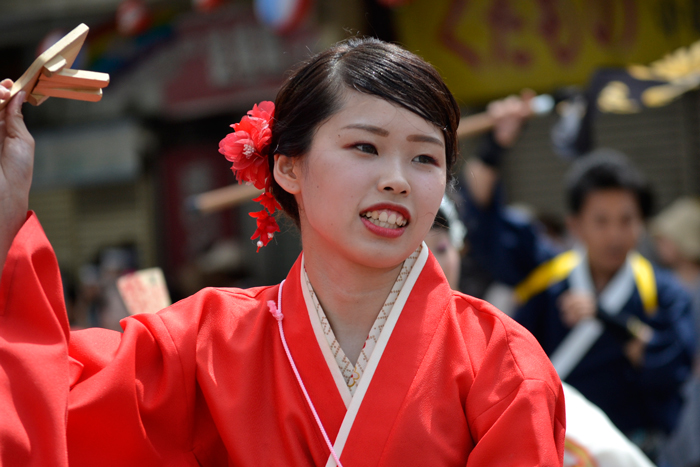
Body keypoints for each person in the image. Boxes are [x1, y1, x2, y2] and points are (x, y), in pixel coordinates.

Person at [0, 38, 565, 466]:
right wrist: (6, 206)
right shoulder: (203, 343)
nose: (397, 179)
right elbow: (48, 405)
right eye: (365, 146)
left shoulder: (503, 365)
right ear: (287, 166)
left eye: (425, 158)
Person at [460, 96, 695, 454]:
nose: (615, 235)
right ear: (575, 224)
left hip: (632, 451)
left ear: (642, 225)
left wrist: (606, 318)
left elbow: (672, 370)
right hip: (555, 445)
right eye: (601, 220)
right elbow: (483, 219)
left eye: (626, 220)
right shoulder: (545, 274)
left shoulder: (663, 294)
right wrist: (496, 144)